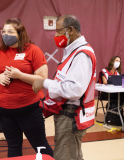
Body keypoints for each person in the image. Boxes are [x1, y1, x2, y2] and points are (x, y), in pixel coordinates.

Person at [0, 18, 53, 158]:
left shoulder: (33, 50)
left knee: (40, 146)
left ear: (20, 33)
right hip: (5, 110)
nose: (5, 34)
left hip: (29, 109)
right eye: (3, 31)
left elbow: (42, 79)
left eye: (10, 31)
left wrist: (20, 75)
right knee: (13, 147)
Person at [32, 15, 96, 160]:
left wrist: (44, 82)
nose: (55, 35)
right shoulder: (74, 51)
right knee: (74, 155)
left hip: (70, 117)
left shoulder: (81, 55)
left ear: (70, 30)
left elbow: (74, 90)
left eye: (58, 31)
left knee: (65, 156)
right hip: (68, 115)